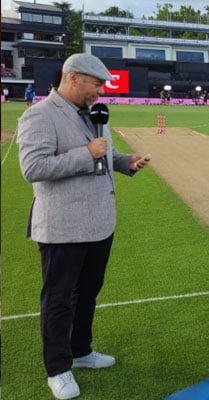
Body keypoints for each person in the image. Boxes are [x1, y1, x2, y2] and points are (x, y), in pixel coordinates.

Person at [16, 53, 150, 400]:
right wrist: (87, 153)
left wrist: (125, 162)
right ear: (73, 77)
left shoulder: (95, 114)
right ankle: (58, 368)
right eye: (96, 84)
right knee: (58, 300)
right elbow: (34, 167)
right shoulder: (39, 116)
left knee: (87, 293)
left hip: (99, 223)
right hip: (62, 227)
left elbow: (107, 153)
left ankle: (81, 350)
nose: (100, 91)